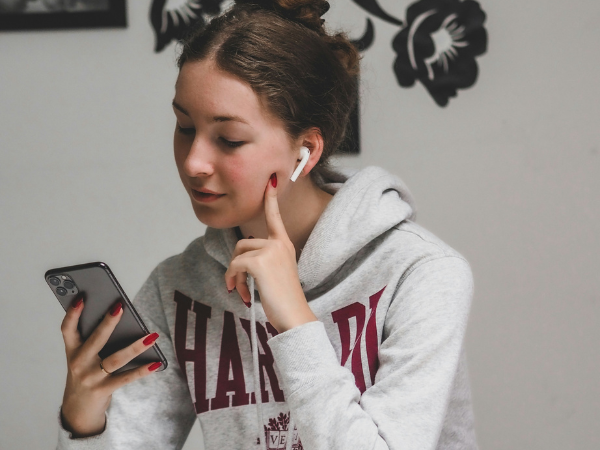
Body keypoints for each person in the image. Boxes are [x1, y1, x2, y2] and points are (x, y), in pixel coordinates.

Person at [56, 0, 479, 448]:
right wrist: (85, 422)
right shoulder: (178, 288)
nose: (194, 162)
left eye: (229, 139)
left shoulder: (421, 273)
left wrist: (295, 321)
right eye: (184, 127)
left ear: (305, 151)